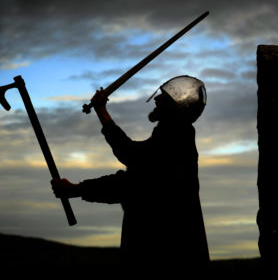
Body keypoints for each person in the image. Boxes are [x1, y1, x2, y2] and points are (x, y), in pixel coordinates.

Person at [51, 75, 209, 273]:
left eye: (164, 98)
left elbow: (131, 173)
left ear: (174, 108)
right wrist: (78, 189)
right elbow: (135, 172)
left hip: (165, 259)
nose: (157, 99)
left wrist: (77, 189)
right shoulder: (175, 138)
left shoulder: (176, 139)